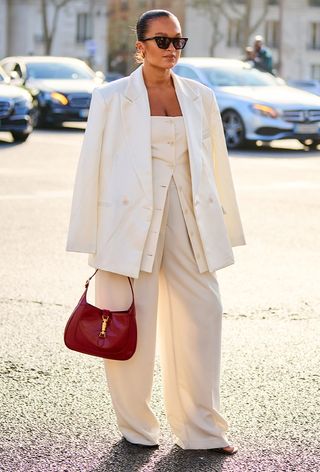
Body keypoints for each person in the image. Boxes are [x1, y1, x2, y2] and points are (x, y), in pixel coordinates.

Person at [66, 9, 245, 454]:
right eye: (162, 41)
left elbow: (215, 166)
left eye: (178, 42)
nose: (171, 50)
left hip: (189, 218)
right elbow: (92, 168)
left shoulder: (200, 97)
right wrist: (93, 239)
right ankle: (138, 429)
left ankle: (202, 430)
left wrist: (225, 226)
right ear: (140, 45)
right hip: (127, 225)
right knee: (133, 324)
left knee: (204, 316)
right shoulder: (111, 97)